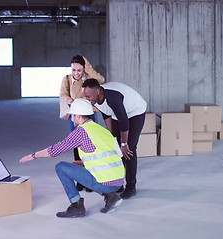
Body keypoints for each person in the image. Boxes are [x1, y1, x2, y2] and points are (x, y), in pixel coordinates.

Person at [19, 99, 124, 218]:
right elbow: (112, 155)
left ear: (77, 116)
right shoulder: (100, 129)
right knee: (74, 166)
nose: (71, 118)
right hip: (119, 182)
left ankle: (77, 206)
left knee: (61, 167)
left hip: (106, 183)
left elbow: (54, 150)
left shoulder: (81, 132)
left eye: (72, 115)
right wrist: (83, 163)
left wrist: (33, 156)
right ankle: (111, 196)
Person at [82, 79, 146, 199]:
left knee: (129, 150)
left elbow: (124, 120)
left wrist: (124, 143)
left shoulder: (113, 98)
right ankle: (117, 184)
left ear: (97, 91)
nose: (87, 99)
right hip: (118, 113)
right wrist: (111, 137)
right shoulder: (94, 99)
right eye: (85, 96)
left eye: (88, 96)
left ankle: (131, 187)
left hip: (135, 111)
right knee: (116, 149)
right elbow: (106, 113)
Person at [60, 55, 105, 191]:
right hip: (74, 115)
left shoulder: (90, 78)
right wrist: (72, 102)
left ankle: (91, 176)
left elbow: (101, 80)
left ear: (83, 69)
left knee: (91, 145)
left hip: (90, 114)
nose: (76, 73)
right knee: (77, 145)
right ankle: (80, 178)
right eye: (74, 70)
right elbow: (63, 94)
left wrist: (88, 67)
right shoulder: (67, 79)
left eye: (79, 70)